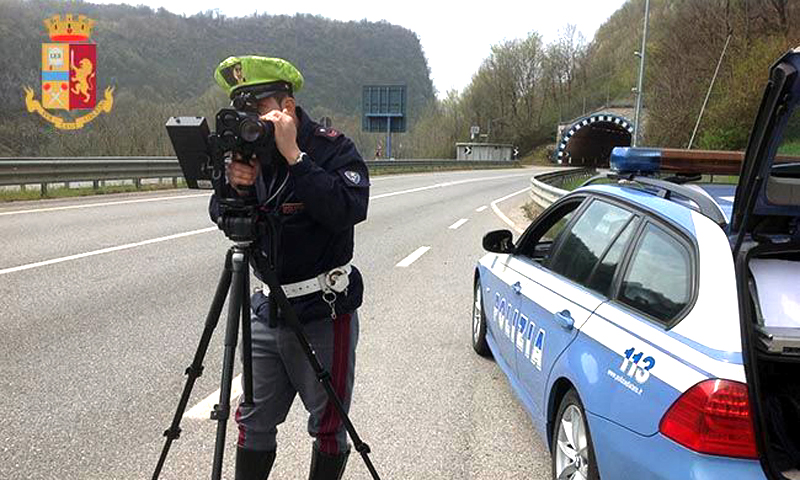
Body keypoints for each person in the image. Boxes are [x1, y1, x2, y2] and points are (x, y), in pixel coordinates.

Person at [209, 55, 370, 480]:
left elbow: (347, 208)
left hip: (323, 308)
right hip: (267, 310)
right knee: (253, 418)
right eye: (244, 111)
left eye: (259, 109)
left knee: (329, 427)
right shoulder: (250, 154)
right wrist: (234, 188)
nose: (252, 121)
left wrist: (296, 158)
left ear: (287, 104)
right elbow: (223, 217)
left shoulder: (332, 148)